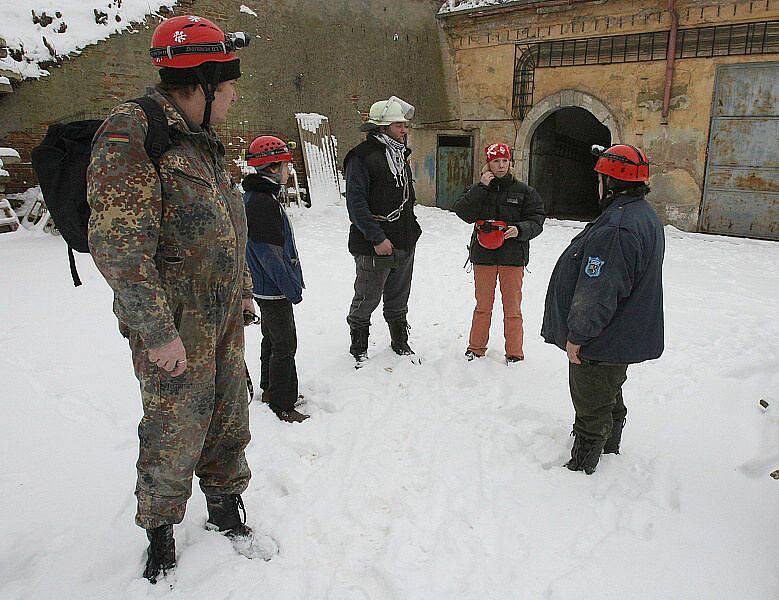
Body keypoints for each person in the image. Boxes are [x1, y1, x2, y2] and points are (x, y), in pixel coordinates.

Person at [87, 15, 258, 583]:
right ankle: (160, 528)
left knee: (229, 414)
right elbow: (118, 246)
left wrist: (244, 293)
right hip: (174, 320)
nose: (234, 100)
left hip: (223, 312)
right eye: (229, 89)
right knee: (173, 425)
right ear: (202, 85)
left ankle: (223, 500)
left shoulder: (201, 139)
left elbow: (228, 227)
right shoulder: (134, 134)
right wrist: (157, 333)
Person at [541, 144, 665, 475]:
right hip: (619, 334)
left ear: (610, 183)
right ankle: (610, 448)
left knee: (591, 400)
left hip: (602, 337)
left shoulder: (617, 228)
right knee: (608, 389)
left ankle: (584, 466)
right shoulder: (640, 214)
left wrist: (578, 336)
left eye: (600, 178)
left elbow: (599, 291)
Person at [344, 96, 422, 364]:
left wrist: (412, 232)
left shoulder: (399, 154)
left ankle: (399, 339)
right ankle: (359, 343)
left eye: (404, 124)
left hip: (404, 237)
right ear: (382, 127)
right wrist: (377, 238)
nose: (404, 129)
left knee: (399, 294)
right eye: (399, 124)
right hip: (373, 242)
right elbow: (356, 204)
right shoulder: (361, 157)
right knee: (367, 295)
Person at [454, 143, 545, 363]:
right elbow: (463, 212)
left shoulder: (525, 192)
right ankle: (476, 348)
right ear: (488, 164)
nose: (501, 165)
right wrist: (480, 188)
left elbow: (537, 220)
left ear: (510, 163)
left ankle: (514, 352)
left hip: (512, 258)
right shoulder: (478, 189)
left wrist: (520, 229)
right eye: (496, 161)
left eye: (504, 160)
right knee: (482, 306)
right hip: (483, 256)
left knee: (512, 308)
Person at [242, 135, 309, 424]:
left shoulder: (261, 197)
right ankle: (284, 404)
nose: (288, 171)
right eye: (284, 166)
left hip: (265, 287)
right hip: (273, 288)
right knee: (285, 345)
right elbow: (270, 254)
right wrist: (291, 287)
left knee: (271, 338)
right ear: (271, 168)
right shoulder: (261, 202)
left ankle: (270, 389)